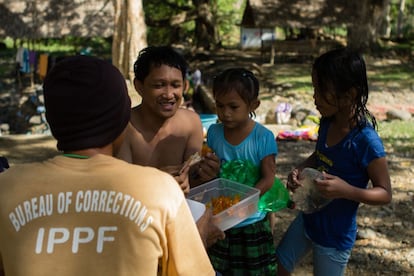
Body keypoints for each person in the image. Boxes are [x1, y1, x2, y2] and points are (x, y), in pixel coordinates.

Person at [0, 55, 215, 276]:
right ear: (122, 118)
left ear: (51, 118)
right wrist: (200, 237)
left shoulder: (6, 187)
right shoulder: (160, 190)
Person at [275, 48, 392, 276]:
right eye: (314, 89)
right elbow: (319, 156)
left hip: (335, 237)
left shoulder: (366, 142)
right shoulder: (328, 122)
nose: (314, 98)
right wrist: (300, 169)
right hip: (309, 220)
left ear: (348, 95)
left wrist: (346, 190)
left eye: (320, 91)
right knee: (277, 265)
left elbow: (385, 194)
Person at [116, 45, 220, 193]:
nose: (169, 94)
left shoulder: (191, 124)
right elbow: (119, 187)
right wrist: (157, 181)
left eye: (175, 85)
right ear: (139, 86)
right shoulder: (124, 126)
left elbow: (192, 180)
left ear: (185, 86)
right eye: (159, 85)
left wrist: (206, 175)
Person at [206, 68, 278, 275]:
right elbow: (211, 171)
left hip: (251, 221)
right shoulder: (214, 133)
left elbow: (268, 178)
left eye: (233, 106)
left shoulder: (262, 138)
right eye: (220, 105)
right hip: (221, 220)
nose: (225, 113)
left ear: (253, 105)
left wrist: (243, 202)